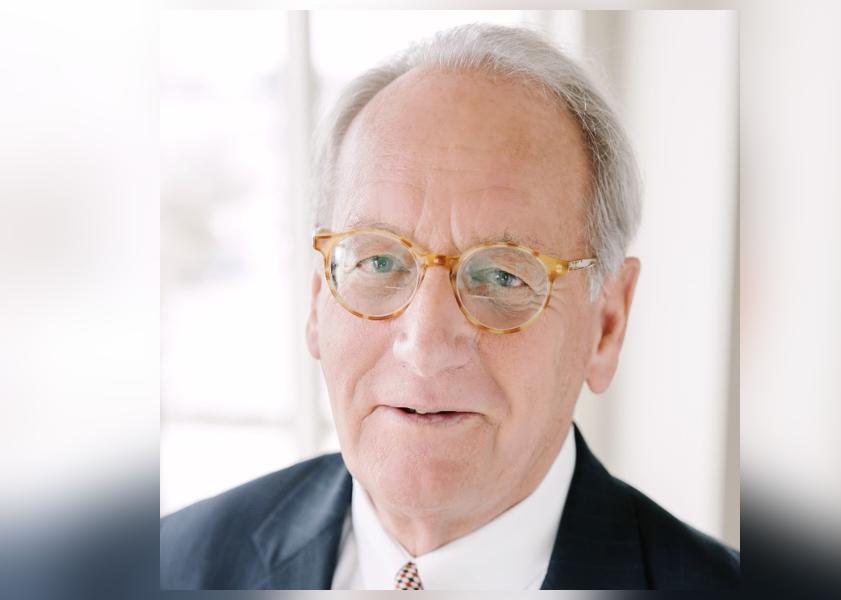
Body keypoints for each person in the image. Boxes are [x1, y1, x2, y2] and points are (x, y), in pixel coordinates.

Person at [160, 23, 739, 590]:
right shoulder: (171, 565)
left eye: (503, 275)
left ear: (607, 324)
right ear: (318, 299)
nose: (426, 346)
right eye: (378, 262)